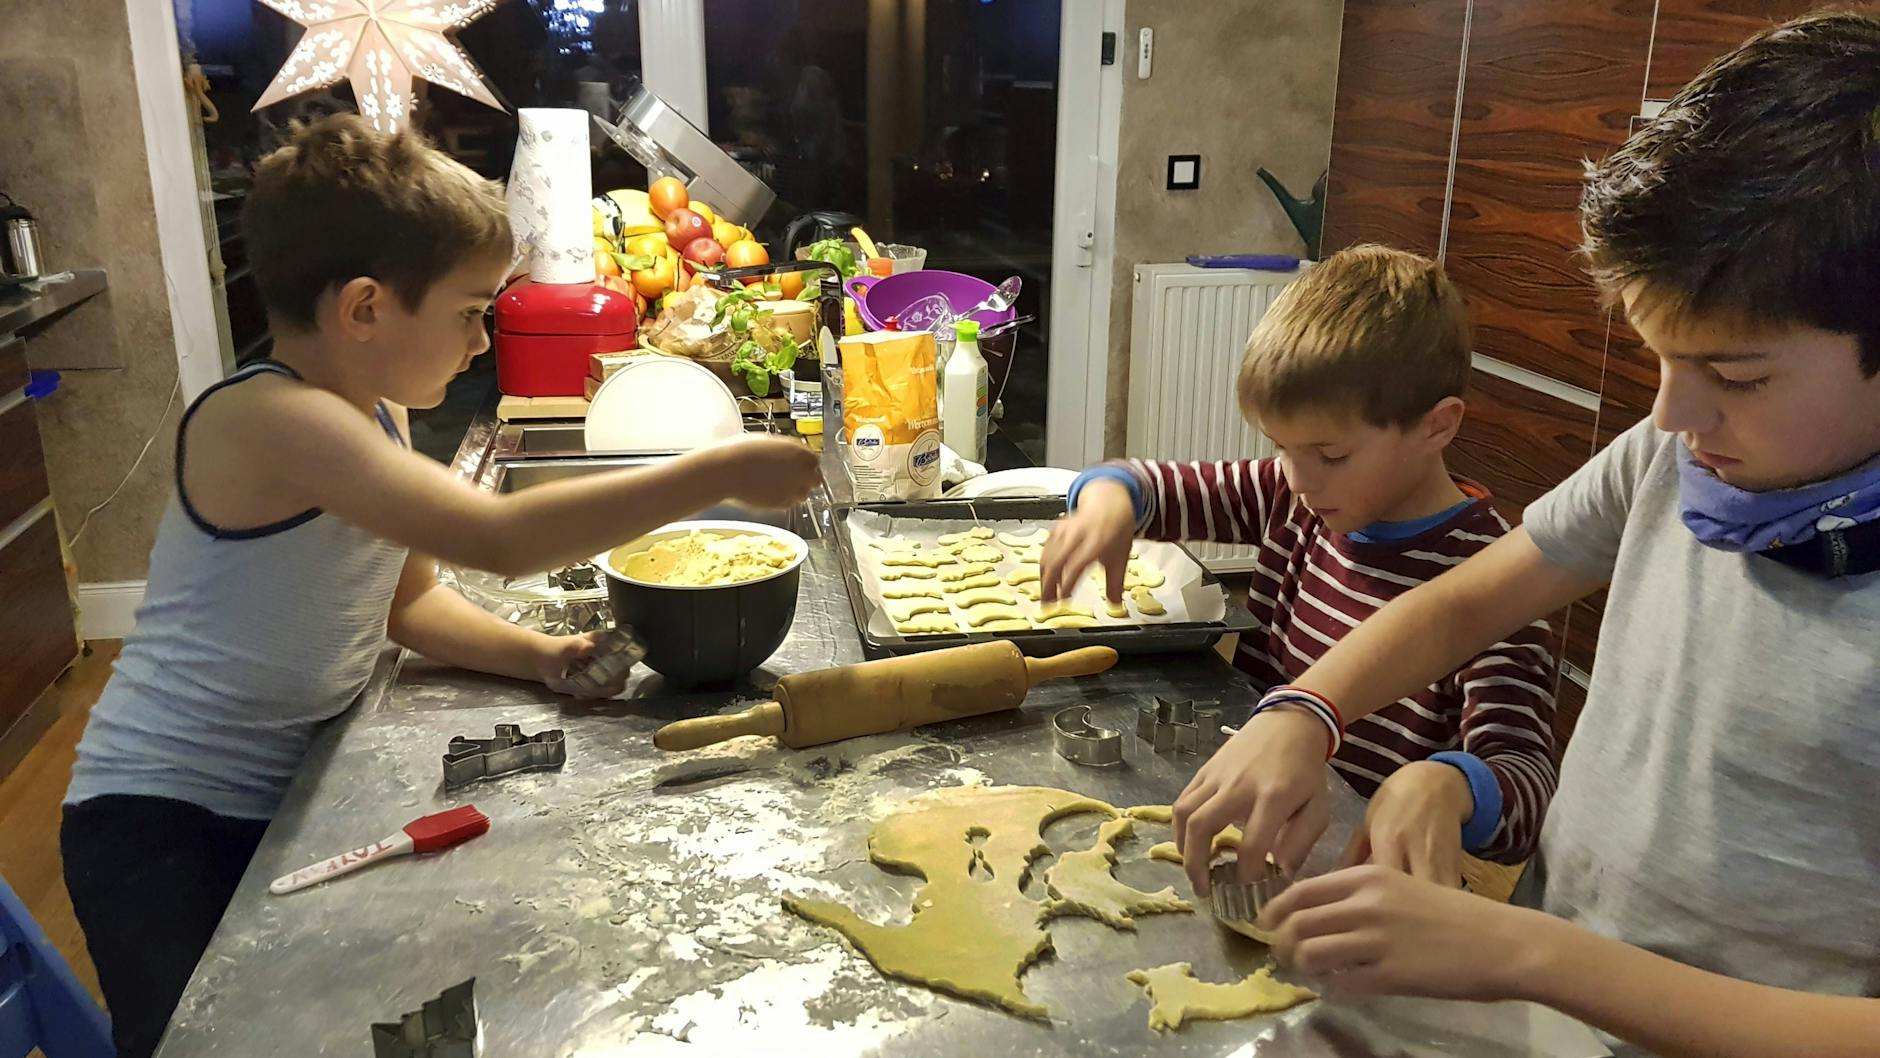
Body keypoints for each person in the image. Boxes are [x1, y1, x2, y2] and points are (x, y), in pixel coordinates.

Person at [1174, 13, 1880, 1056]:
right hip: (1557, 999)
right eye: (1657, 359)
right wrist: (1306, 708)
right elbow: (1463, 599)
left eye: (1731, 375)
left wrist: (1524, 952)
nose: (1675, 411)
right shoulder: (1672, 450)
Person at [60, 115, 819, 1058]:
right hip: (159, 826)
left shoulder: (367, 412)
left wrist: (541, 656)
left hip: (273, 795)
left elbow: (406, 600)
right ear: (366, 310)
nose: (480, 342)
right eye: (469, 312)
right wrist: (713, 472)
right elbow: (494, 538)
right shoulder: (273, 420)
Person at [1043, 245, 1559, 885]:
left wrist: (1449, 786)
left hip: (1366, 883)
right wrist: (1104, 505)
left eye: (1331, 454)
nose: (1298, 478)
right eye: (1280, 448)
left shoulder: (1499, 583)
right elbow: (1141, 480)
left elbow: (1528, 788)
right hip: (1251, 831)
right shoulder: (1293, 497)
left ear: (1437, 426)